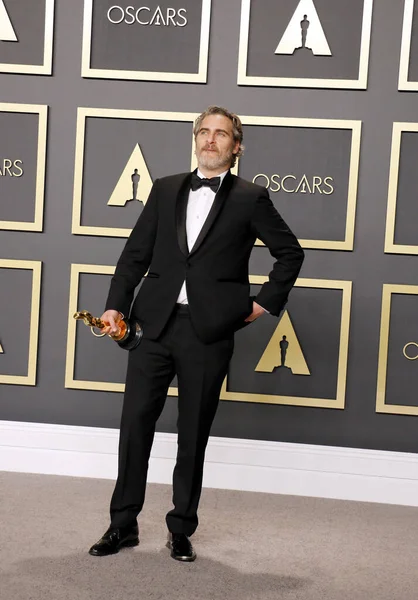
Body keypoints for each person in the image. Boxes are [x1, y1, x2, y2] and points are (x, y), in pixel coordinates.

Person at [88, 106, 304, 562]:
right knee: (134, 429)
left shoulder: (251, 198)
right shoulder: (165, 189)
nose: (210, 140)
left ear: (236, 146)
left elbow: (290, 253)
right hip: (152, 327)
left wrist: (262, 305)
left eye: (221, 134)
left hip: (208, 331)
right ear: (195, 139)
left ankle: (181, 528)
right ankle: (121, 525)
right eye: (204, 132)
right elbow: (134, 256)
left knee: (193, 434)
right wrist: (114, 306)